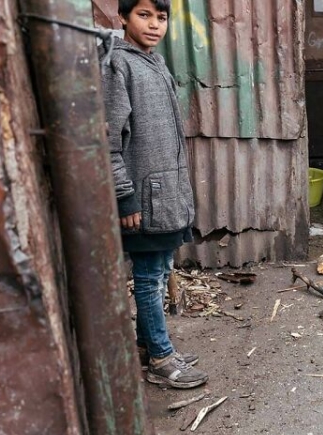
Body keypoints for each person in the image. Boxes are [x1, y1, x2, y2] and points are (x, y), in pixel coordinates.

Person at [102, 0, 208, 389]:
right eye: (144, 15)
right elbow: (109, 141)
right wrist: (124, 196)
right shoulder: (119, 65)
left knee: (160, 271)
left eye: (161, 18)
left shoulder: (155, 62)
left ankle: (147, 347)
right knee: (149, 279)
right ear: (123, 17)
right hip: (142, 197)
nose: (154, 25)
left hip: (164, 192)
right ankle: (162, 359)